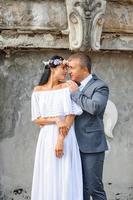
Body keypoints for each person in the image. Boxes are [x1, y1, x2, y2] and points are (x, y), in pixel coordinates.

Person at [31, 55, 83, 200]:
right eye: (63, 68)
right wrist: (55, 119)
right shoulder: (37, 91)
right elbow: (37, 118)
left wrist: (60, 139)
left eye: (67, 68)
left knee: (65, 173)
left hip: (65, 136)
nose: (66, 71)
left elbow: (71, 114)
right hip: (46, 138)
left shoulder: (67, 87)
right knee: (48, 173)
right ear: (53, 68)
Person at [67, 52, 109, 200]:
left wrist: (76, 93)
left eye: (72, 68)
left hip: (92, 145)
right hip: (72, 145)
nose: (69, 71)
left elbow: (95, 108)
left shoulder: (100, 86)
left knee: (93, 187)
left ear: (84, 69)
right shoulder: (71, 86)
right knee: (79, 188)